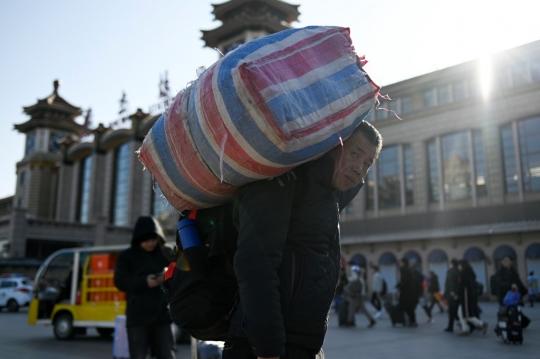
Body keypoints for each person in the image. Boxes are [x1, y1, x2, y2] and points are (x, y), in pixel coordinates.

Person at [222, 121, 383, 359]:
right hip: (260, 348)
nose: (359, 168)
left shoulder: (328, 197)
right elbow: (256, 265)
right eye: (354, 153)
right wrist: (268, 349)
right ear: (333, 145)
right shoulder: (283, 181)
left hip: (302, 344)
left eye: (368, 163)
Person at [114, 216, 176, 359]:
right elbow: (120, 281)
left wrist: (168, 275)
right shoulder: (127, 256)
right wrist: (145, 281)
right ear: (138, 239)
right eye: (146, 240)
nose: (150, 243)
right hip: (138, 318)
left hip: (163, 315)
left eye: (153, 239)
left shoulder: (166, 252)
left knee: (167, 354)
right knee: (138, 355)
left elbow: (182, 271)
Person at [456, 260, 488, 336]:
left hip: (466, 297)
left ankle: (481, 324)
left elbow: (463, 287)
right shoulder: (469, 273)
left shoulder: (464, 274)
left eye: (459, 265)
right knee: (460, 313)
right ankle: (465, 329)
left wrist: (457, 293)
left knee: (467, 315)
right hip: (468, 296)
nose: (458, 267)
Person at [396, 258, 418, 327]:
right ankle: (411, 321)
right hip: (408, 292)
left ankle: (412, 321)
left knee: (408, 308)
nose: (400, 264)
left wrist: (400, 286)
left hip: (407, 293)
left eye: (401, 262)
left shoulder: (405, 270)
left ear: (403, 263)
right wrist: (399, 285)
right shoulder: (406, 269)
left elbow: (405, 281)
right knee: (408, 308)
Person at [443, 259, 460, 333]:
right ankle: (452, 326)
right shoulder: (458, 272)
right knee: (455, 311)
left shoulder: (451, 272)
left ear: (452, 264)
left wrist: (449, 293)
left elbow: (449, 284)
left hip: (451, 294)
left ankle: (451, 327)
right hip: (457, 294)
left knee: (452, 311)